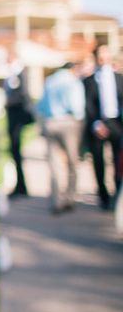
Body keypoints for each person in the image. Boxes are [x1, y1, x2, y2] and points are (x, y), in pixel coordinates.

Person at [37, 63, 85, 213]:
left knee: (54, 163)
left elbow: (41, 106)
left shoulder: (49, 81)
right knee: (72, 161)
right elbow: (77, 107)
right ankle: (70, 198)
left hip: (51, 122)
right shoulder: (73, 82)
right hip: (68, 122)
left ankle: (56, 201)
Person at [83, 44, 123, 210]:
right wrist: (96, 124)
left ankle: (117, 194)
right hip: (97, 124)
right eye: (101, 54)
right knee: (98, 161)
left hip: (116, 123)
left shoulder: (119, 78)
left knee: (118, 161)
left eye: (106, 53)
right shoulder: (89, 80)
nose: (104, 57)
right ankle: (103, 196)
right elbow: (87, 105)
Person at [4, 54, 34, 198]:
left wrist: (8, 103)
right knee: (14, 151)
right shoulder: (12, 75)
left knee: (16, 149)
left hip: (17, 118)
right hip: (12, 117)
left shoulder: (21, 74)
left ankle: (21, 186)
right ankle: (20, 185)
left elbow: (23, 95)